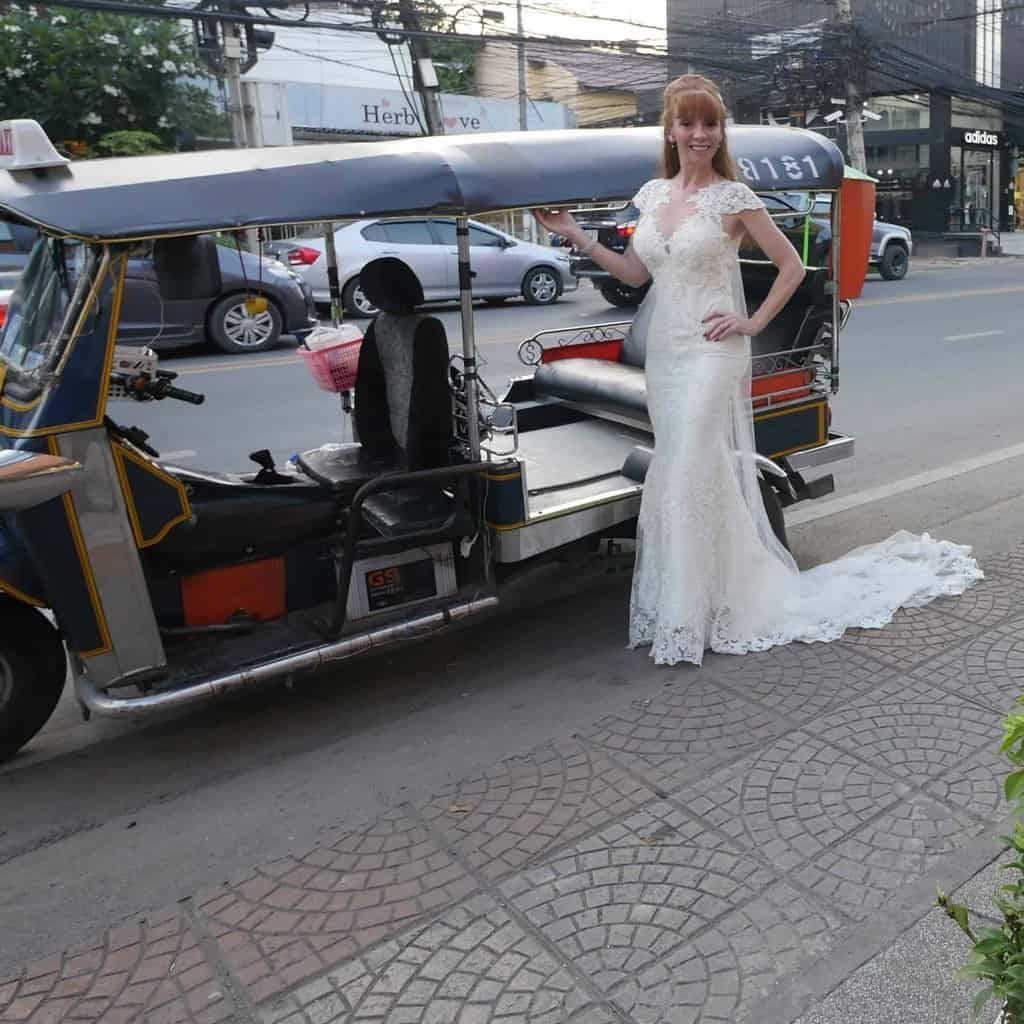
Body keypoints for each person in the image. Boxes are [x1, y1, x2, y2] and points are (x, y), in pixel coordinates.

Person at [534, 74, 981, 667]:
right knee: (683, 470)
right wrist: (573, 235)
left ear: (720, 132)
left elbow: (793, 268)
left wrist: (750, 323)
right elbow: (635, 275)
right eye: (688, 123)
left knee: (688, 463)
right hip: (667, 352)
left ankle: (692, 616)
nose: (698, 133)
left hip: (714, 351)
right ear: (670, 130)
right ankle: (706, 597)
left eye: (709, 123)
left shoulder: (734, 197)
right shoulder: (651, 195)